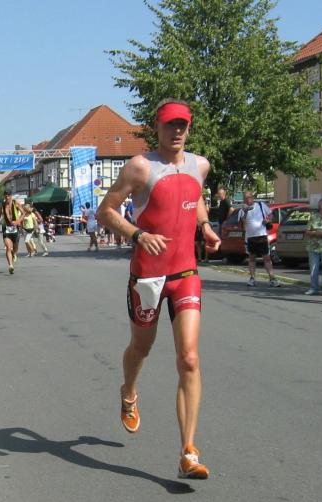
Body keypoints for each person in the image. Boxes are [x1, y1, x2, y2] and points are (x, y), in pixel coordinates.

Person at [96, 99, 221, 479]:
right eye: (170, 125)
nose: (177, 131)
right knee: (141, 348)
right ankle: (129, 392)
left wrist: (204, 226)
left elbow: (195, 198)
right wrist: (138, 234)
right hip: (148, 277)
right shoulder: (140, 167)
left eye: (182, 125)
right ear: (158, 127)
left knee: (190, 359)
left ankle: (188, 452)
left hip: (185, 273)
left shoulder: (201, 165)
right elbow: (105, 211)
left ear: (189, 127)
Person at [237, 190, 280, 287]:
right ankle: (252, 279)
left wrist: (268, 220)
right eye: (245, 198)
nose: (248, 200)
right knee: (252, 258)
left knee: (267, 258)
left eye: (249, 197)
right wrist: (246, 211)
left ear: (252, 197)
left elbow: (270, 214)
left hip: (262, 236)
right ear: (243, 200)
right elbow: (243, 225)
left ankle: (272, 279)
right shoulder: (242, 211)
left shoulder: (260, 205)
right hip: (250, 238)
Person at [0, 190, 23, 274]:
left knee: (15, 248)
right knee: (8, 247)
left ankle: (14, 254)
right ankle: (10, 265)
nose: (7, 197)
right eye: (5, 196)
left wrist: (18, 221)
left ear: (11, 196)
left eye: (8, 196)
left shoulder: (16, 203)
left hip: (15, 228)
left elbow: (23, 213)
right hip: (6, 228)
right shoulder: (1, 205)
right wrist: (1, 218)